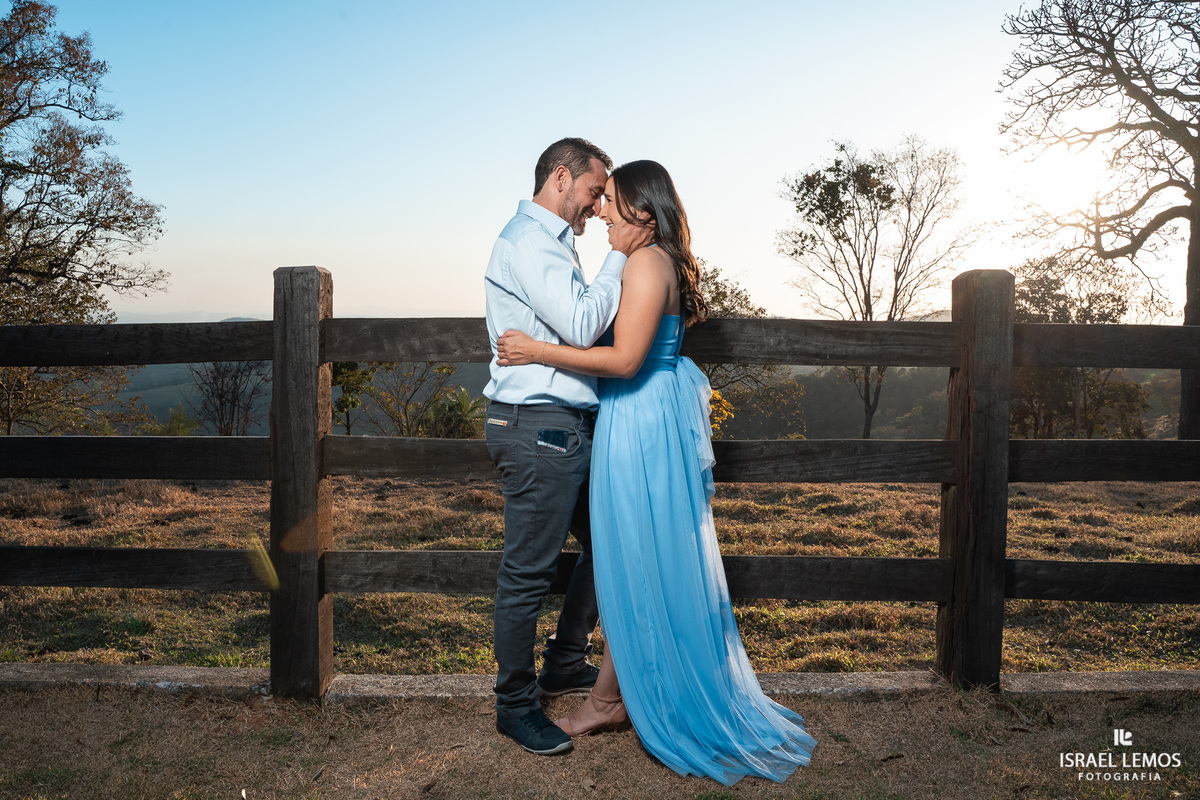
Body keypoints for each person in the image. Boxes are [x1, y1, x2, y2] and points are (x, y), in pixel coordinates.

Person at [495, 160, 817, 784]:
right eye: (600, 199)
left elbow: (623, 359)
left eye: (611, 201)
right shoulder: (653, 259)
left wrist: (534, 350)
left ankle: (605, 700)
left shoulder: (646, 263)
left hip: (638, 418)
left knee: (634, 553)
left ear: (644, 210)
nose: (601, 212)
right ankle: (610, 695)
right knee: (629, 553)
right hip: (639, 416)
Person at [483, 137, 654, 756]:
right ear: (561, 178)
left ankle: (563, 660)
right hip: (537, 426)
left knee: (607, 543)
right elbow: (584, 325)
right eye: (592, 191)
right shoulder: (530, 242)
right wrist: (620, 257)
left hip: (559, 425)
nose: (597, 206)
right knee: (527, 571)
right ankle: (515, 705)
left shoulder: (551, 245)